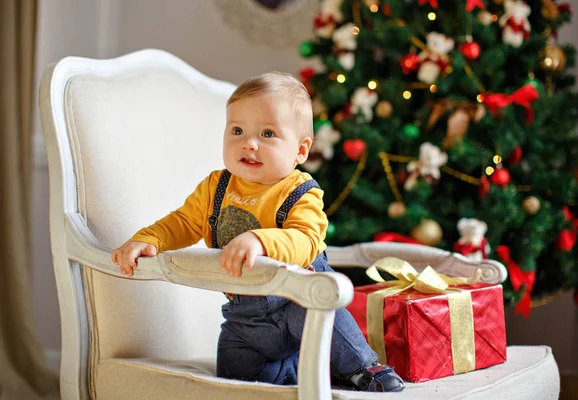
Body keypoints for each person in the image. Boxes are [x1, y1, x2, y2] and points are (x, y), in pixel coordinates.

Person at [111, 72, 405, 392]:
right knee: (236, 383)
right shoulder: (216, 186)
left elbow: (306, 240)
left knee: (330, 322)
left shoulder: (302, 191)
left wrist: (260, 239)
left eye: (267, 133)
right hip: (245, 319)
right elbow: (183, 222)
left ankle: (362, 367)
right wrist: (148, 238)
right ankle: (284, 378)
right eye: (237, 130)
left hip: (299, 301)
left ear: (300, 150)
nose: (249, 143)